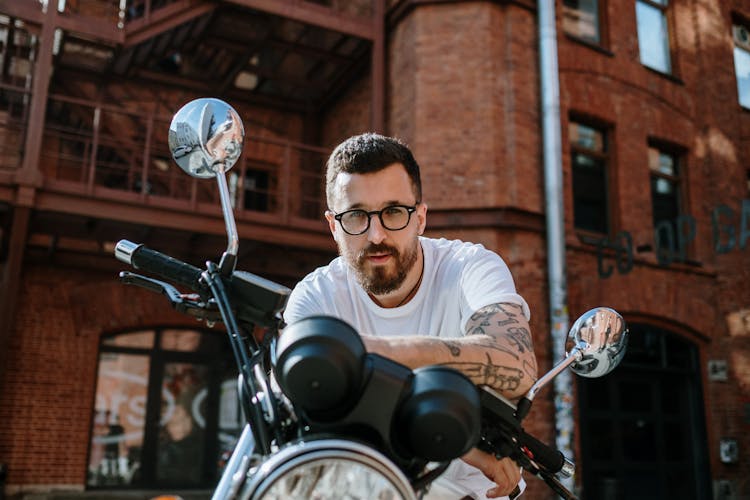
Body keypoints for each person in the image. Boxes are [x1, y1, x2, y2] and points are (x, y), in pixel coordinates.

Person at [282, 133, 538, 499]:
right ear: (333, 226)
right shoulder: (315, 295)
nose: (376, 234)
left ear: (420, 218)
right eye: (356, 215)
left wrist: (356, 354)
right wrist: (467, 449)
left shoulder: (470, 268)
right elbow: (302, 405)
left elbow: (517, 363)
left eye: (393, 212)